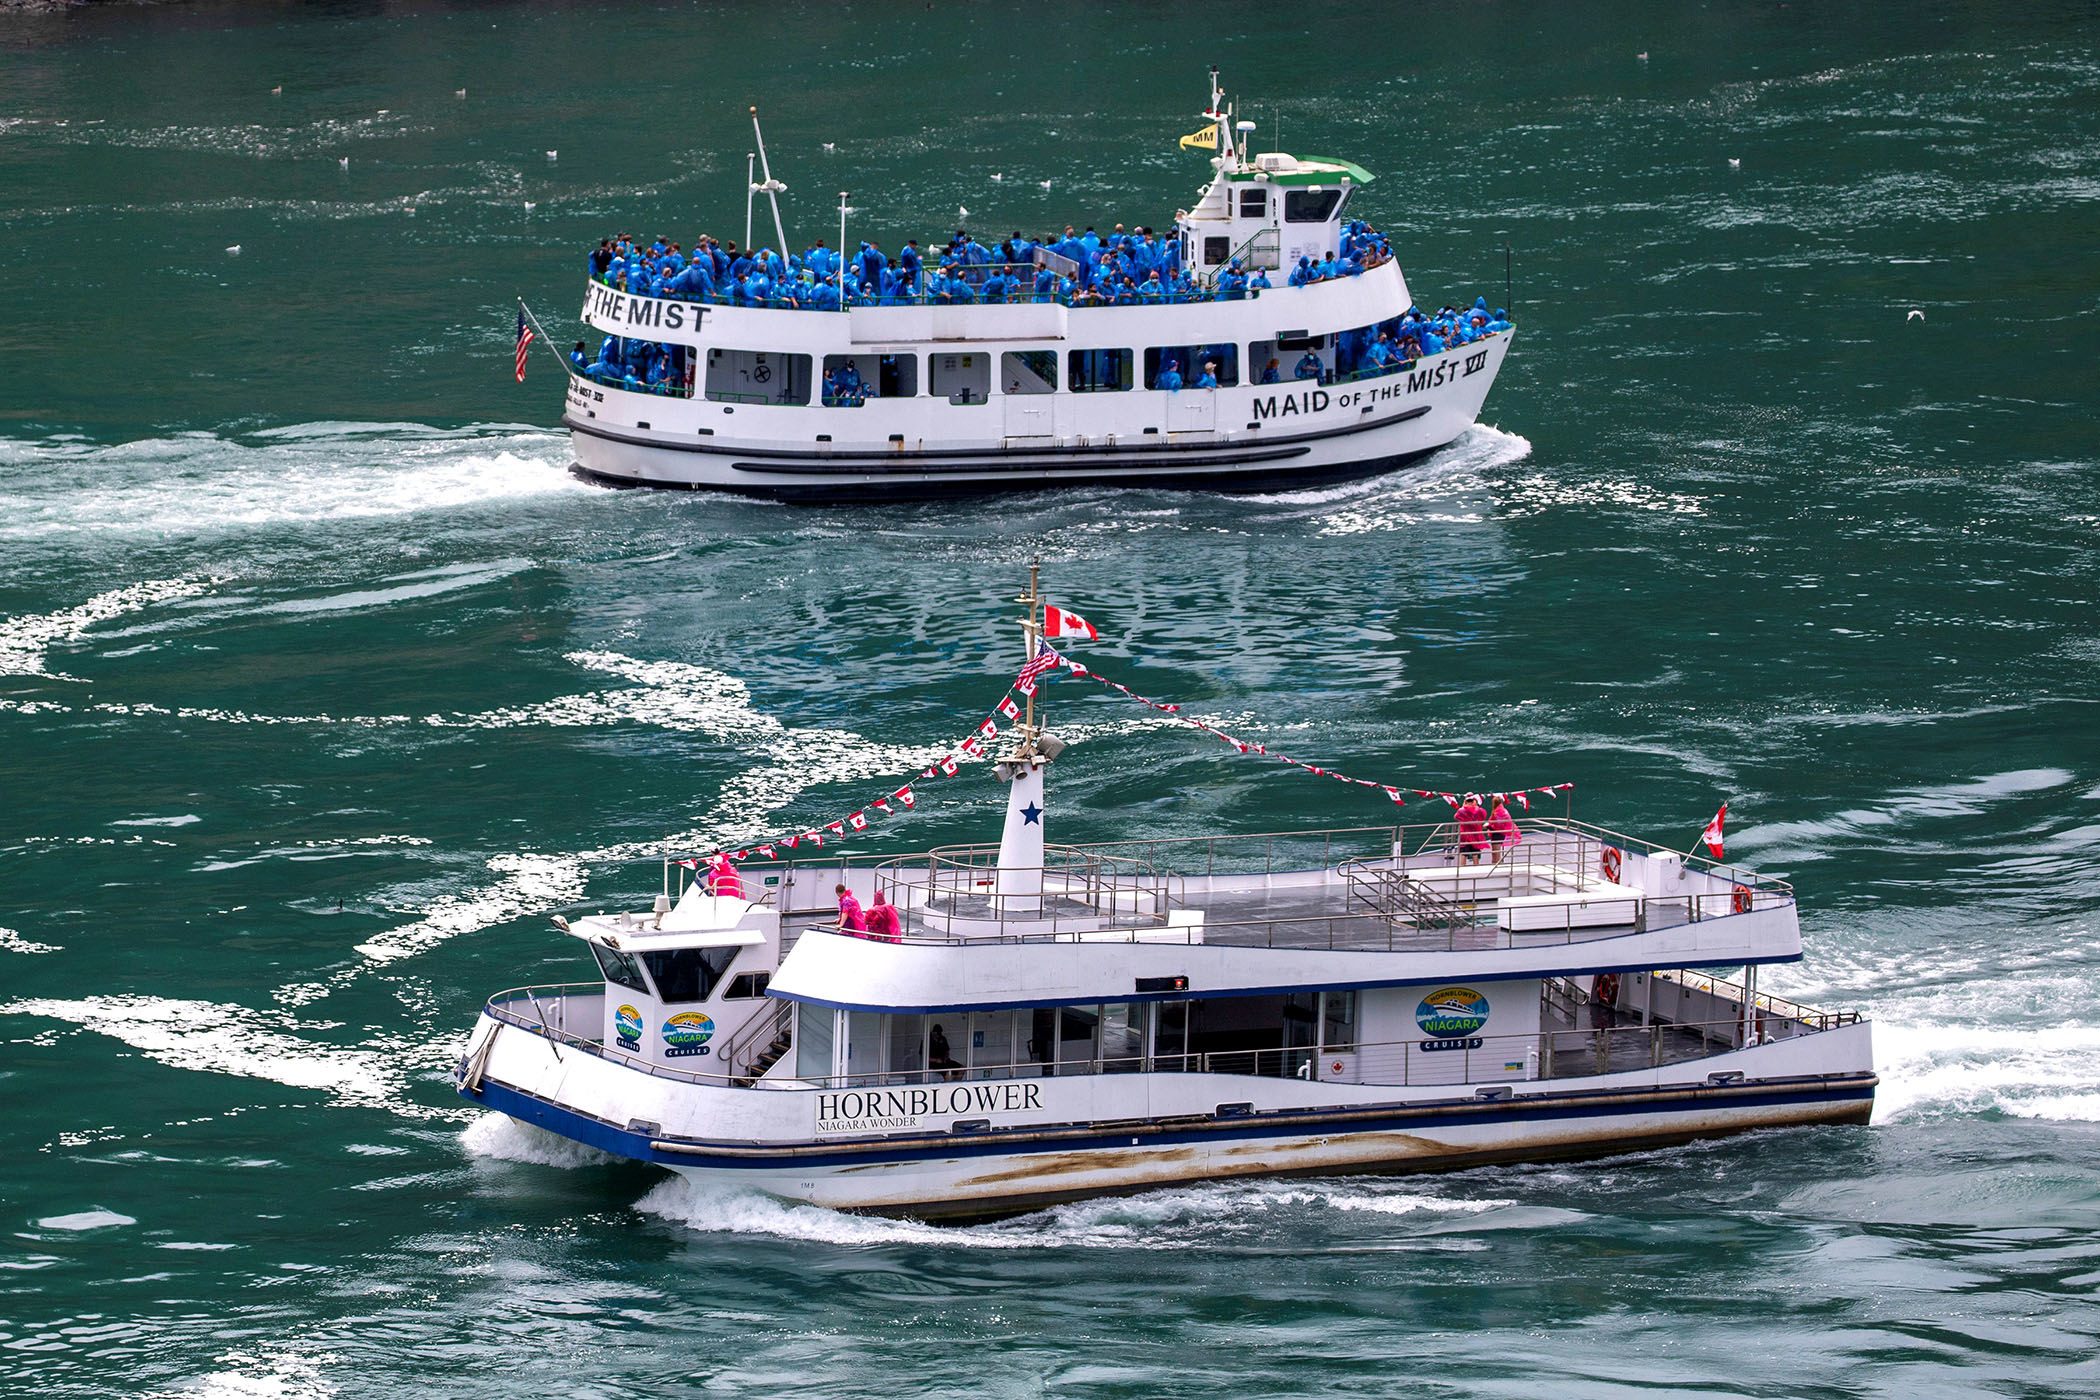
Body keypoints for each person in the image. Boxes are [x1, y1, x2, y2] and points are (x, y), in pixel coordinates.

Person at [1455, 793, 1489, 867]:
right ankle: (1476, 867)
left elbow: (1456, 816)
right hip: (1475, 835)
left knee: (1464, 854)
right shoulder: (1478, 810)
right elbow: (1484, 815)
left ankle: (1462, 868)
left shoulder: (1462, 810)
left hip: (1465, 835)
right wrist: (1475, 805)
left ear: (1465, 801)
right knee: (1475, 853)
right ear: (1474, 801)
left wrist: (1463, 806)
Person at [1487, 796, 1523, 865]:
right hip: (1501, 834)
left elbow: (1497, 825)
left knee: (1496, 852)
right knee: (1496, 852)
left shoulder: (1498, 812)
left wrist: (1489, 826)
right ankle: (1496, 864)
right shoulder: (1504, 811)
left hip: (1497, 834)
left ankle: (1496, 865)